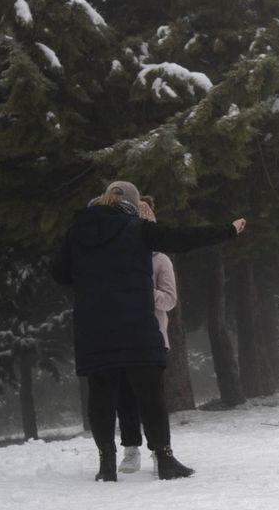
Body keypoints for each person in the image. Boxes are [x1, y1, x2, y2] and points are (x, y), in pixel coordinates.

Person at [51, 180, 246, 482]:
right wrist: (228, 230)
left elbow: (60, 273)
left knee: (101, 393)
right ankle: (165, 460)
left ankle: (106, 464)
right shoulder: (137, 228)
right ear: (132, 202)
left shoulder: (77, 232)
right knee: (150, 393)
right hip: (135, 324)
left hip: (94, 327)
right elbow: (182, 238)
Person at [114, 197, 180, 474]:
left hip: (153, 340)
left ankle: (159, 451)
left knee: (151, 398)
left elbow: (169, 300)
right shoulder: (115, 260)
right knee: (124, 396)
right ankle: (130, 449)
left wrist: (143, 291)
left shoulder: (160, 260)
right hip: (120, 337)